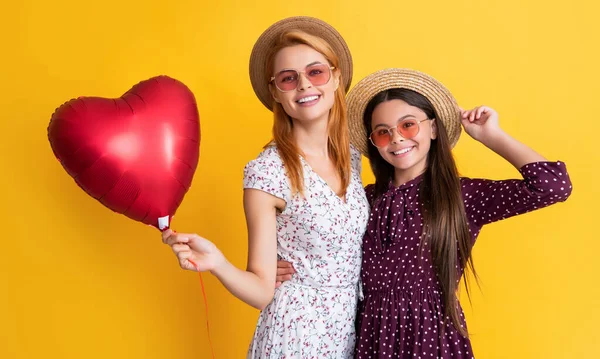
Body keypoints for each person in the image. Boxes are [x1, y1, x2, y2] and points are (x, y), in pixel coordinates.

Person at [278, 68, 572, 358]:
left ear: (433, 128)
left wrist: (490, 136)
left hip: (432, 340)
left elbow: (553, 186)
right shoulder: (363, 199)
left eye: (408, 125)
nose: (396, 138)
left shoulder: (460, 196)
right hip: (371, 338)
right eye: (383, 132)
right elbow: (319, 240)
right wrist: (275, 266)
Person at [162, 17, 369, 358]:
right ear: (276, 92)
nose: (304, 85)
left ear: (336, 78)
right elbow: (261, 289)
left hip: (350, 329)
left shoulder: (354, 158)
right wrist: (217, 262)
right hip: (297, 335)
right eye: (289, 78)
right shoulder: (268, 172)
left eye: (315, 72)